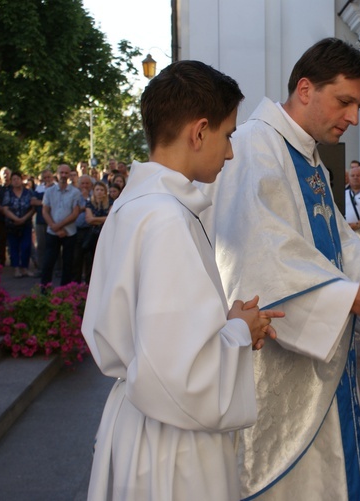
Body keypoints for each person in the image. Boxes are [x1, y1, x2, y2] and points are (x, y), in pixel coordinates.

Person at [206, 38, 360, 500]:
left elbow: (341, 246)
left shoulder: (306, 154)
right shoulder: (254, 147)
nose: (353, 118)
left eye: (358, 105)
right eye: (345, 102)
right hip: (277, 371)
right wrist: (350, 298)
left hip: (321, 362)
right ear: (306, 89)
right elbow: (257, 255)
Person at [82, 60, 284, 500]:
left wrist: (223, 322)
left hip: (140, 423)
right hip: (172, 447)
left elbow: (156, 340)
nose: (230, 152)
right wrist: (239, 331)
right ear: (199, 132)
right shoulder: (165, 218)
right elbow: (178, 375)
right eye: (228, 135)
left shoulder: (135, 205)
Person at [39, 164, 82, 288]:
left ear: (70, 175)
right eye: (61, 173)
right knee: (48, 262)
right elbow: (45, 211)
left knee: (68, 263)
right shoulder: (49, 191)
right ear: (57, 174)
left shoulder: (75, 192)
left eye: (66, 173)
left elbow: (75, 213)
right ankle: (45, 291)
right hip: (52, 232)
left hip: (69, 233)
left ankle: (65, 291)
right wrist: (54, 227)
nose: (63, 175)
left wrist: (59, 226)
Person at [2, 172, 35, 277]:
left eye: (17, 179)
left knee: (26, 246)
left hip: (26, 223)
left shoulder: (28, 192)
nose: (16, 181)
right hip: (12, 224)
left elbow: (33, 207)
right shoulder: (8, 193)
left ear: (21, 180)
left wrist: (24, 218)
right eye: (14, 179)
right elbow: (5, 208)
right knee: (13, 247)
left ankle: (24, 268)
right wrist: (16, 219)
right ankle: (16, 268)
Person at [0, 167, 12, 266]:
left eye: (7, 173)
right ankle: (2, 260)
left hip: (13, 219)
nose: (5, 175)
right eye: (3, 173)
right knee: (2, 240)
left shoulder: (14, 188)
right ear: (0, 176)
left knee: (13, 240)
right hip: (1, 218)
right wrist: (2, 209)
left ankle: (14, 259)